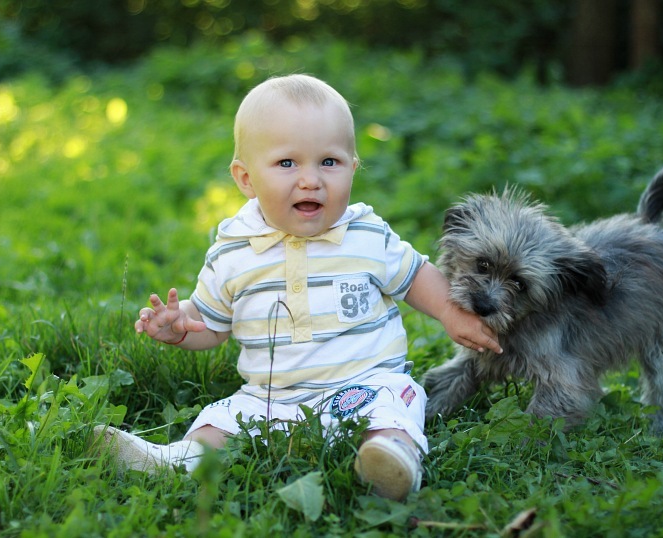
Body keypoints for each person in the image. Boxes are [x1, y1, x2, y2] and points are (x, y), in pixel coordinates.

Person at [93, 74, 501, 501]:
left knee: (392, 410)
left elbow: (416, 276)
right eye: (288, 164)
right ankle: (176, 461)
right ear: (246, 179)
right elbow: (211, 325)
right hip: (270, 397)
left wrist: (452, 312)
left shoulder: (365, 234)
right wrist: (179, 328)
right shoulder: (234, 250)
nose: (311, 180)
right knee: (223, 421)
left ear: (353, 168)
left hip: (363, 385)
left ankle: (388, 461)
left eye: (329, 162)